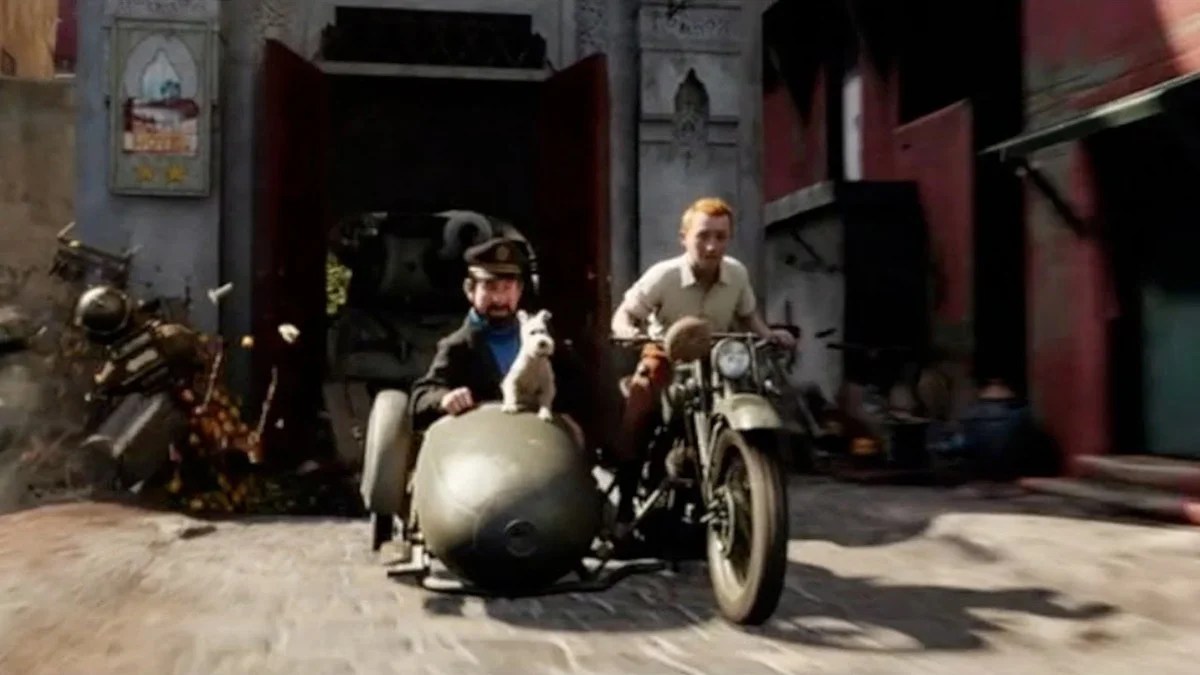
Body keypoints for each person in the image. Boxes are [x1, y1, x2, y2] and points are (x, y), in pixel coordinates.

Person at [360, 236, 583, 546]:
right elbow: (422, 395)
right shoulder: (458, 346)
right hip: (481, 459)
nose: (499, 298)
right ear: (470, 290)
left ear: (519, 291)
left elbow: (577, 390)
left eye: (507, 288)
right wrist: (445, 399)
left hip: (535, 453)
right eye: (489, 288)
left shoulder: (546, 342)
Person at [608, 197, 797, 531]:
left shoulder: (736, 273)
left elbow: (748, 315)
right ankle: (624, 508)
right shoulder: (663, 275)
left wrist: (770, 334)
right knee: (639, 412)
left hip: (718, 357)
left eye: (720, 237)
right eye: (703, 236)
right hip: (666, 354)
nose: (712, 246)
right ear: (684, 238)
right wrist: (626, 330)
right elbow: (625, 314)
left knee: (758, 391)